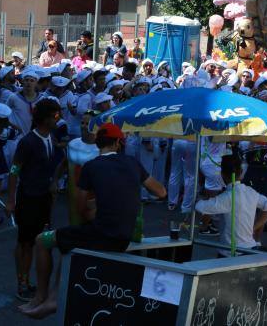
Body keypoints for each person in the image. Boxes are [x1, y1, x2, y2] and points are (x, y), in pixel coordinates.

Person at [17, 123, 166, 319]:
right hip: (126, 235)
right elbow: (161, 192)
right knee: (67, 242)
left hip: (104, 234)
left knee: (42, 240)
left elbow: (80, 207)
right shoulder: (133, 163)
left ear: (98, 144)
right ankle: (52, 297)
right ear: (119, 143)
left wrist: (95, 208)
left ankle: (43, 297)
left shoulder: (91, 166)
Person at [5, 99, 63, 301]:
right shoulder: (28, 141)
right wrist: (11, 200)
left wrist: (54, 182)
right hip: (28, 197)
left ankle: (31, 282)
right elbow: (14, 170)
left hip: (44, 198)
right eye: (55, 115)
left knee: (40, 241)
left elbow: (54, 165)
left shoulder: (51, 138)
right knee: (25, 242)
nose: (59, 118)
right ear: (44, 118)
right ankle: (21, 284)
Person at [195, 154, 267, 252]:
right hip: (250, 248)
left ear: (222, 174)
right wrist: (254, 228)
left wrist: (202, 196)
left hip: (230, 252)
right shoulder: (250, 192)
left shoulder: (226, 198)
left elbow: (199, 207)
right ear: (241, 172)